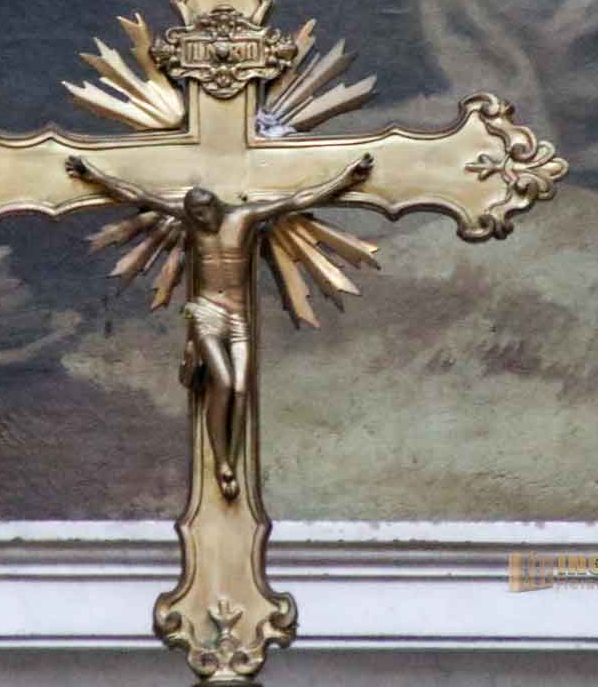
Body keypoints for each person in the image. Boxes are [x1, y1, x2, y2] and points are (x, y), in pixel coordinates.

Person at [67, 152, 374, 499]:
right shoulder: (189, 221)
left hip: (238, 316)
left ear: (214, 206)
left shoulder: (243, 218)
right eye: (194, 215)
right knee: (223, 383)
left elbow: (296, 200)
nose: (199, 219)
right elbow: (138, 195)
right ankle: (222, 463)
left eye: (203, 212)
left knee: (241, 389)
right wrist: (94, 176)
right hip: (205, 313)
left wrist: (346, 180)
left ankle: (232, 457)